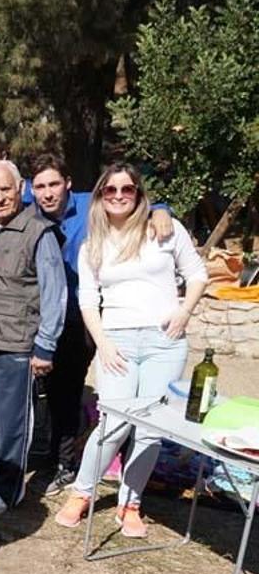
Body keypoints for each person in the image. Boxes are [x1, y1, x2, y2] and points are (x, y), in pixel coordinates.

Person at [54, 164, 207, 537]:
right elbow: (87, 300)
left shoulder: (164, 230)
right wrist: (103, 342)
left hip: (164, 341)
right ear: (100, 197)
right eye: (111, 190)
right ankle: (82, 492)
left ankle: (131, 501)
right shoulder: (93, 244)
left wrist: (184, 312)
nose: (119, 196)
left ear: (139, 194)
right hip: (117, 340)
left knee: (151, 429)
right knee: (114, 422)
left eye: (128, 189)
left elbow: (197, 273)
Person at [0, 160, 66, 515]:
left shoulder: (39, 233)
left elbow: (54, 294)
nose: (0, 197)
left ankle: (8, 487)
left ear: (21, 189)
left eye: (6, 189)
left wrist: (45, 345)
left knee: (12, 422)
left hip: (17, 344)